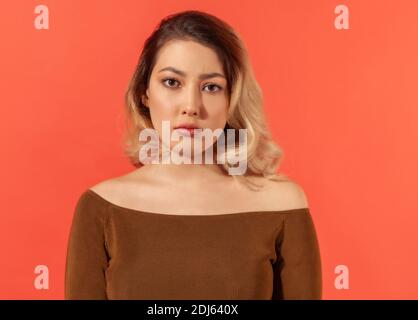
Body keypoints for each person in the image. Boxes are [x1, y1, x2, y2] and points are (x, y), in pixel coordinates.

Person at [64, 10, 322, 300]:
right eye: (172, 82)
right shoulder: (101, 208)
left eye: (211, 87)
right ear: (144, 93)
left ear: (231, 100)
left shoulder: (283, 205)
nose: (191, 106)